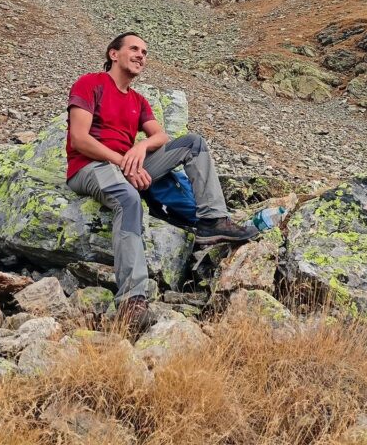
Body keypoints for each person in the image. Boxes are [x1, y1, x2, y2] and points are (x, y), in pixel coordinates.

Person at [66, 32, 258, 328]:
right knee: (129, 200)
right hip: (91, 166)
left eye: (144, 51)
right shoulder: (90, 84)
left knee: (192, 143)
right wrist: (122, 162)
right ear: (113, 54)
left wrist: (140, 148)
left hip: (127, 165)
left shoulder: (138, 100)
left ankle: (211, 220)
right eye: (134, 49)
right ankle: (132, 299)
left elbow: (161, 135)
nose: (141, 55)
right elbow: (79, 139)